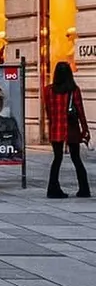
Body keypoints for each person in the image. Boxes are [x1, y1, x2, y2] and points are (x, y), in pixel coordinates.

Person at [45, 60, 90, 199]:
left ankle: (53, 188)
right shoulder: (73, 90)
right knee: (76, 158)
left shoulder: (48, 90)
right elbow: (80, 111)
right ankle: (83, 189)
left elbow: (48, 111)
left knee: (57, 159)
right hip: (71, 128)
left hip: (56, 128)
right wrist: (85, 129)